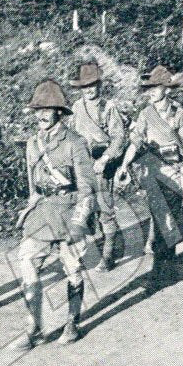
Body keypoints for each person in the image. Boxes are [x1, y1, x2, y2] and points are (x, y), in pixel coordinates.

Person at [116, 65, 183, 282]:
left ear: (167, 88)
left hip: (177, 173)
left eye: (156, 86)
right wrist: (124, 165)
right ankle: (161, 271)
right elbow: (135, 142)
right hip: (155, 173)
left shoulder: (178, 113)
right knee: (161, 217)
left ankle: (165, 267)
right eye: (149, 88)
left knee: (168, 219)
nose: (152, 91)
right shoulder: (146, 113)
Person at [12, 80, 97, 349]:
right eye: (38, 109)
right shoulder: (32, 144)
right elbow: (32, 186)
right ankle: (34, 326)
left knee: (72, 268)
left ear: (59, 111)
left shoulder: (75, 143)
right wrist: (28, 212)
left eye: (48, 109)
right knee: (27, 261)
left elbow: (87, 188)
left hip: (69, 210)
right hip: (43, 213)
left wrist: (80, 221)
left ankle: (72, 322)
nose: (41, 114)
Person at [68, 60, 127, 271]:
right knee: (82, 208)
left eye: (93, 85)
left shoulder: (108, 107)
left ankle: (109, 254)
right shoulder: (75, 108)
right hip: (82, 165)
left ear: (99, 85)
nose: (89, 90)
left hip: (102, 164)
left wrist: (105, 159)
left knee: (104, 209)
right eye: (85, 86)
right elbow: (71, 136)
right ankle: (85, 252)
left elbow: (119, 138)